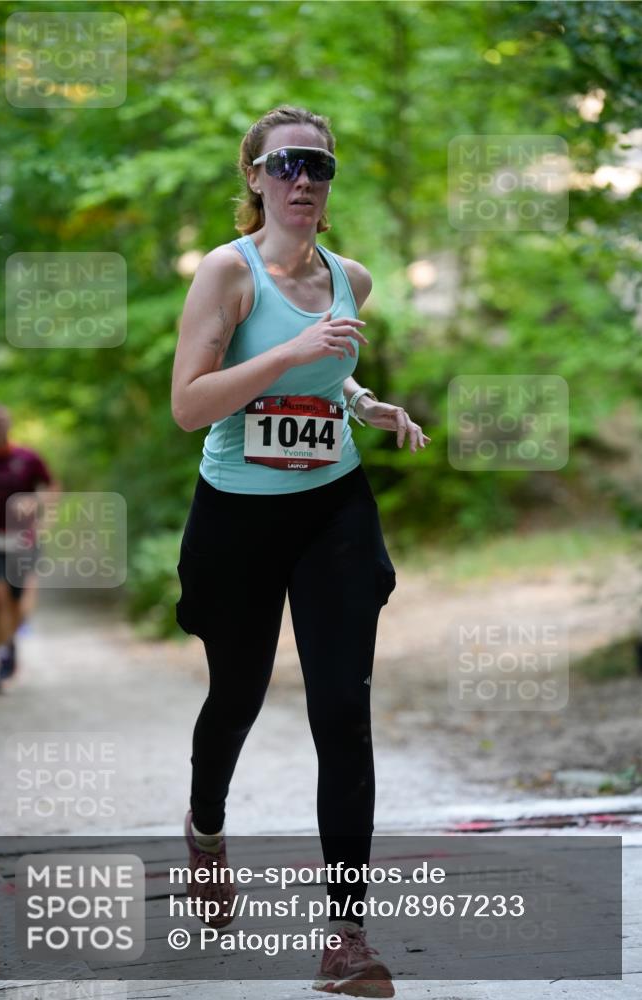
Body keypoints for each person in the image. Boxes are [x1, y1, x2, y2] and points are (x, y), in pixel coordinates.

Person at [171, 105, 430, 998]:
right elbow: (191, 404)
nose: (303, 180)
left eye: (318, 166)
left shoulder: (350, 276)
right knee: (236, 696)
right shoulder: (226, 272)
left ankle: (345, 937)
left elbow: (329, 368)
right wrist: (293, 352)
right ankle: (206, 831)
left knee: (343, 712)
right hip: (237, 518)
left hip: (333, 512)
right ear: (253, 176)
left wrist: (362, 402)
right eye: (285, 164)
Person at [0, 404, 58, 693]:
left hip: (23, 541)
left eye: (3, 422)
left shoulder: (27, 458)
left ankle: (10, 644)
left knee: (17, 605)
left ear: (9, 425)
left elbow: (52, 487)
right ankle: (3, 657)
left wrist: (35, 504)